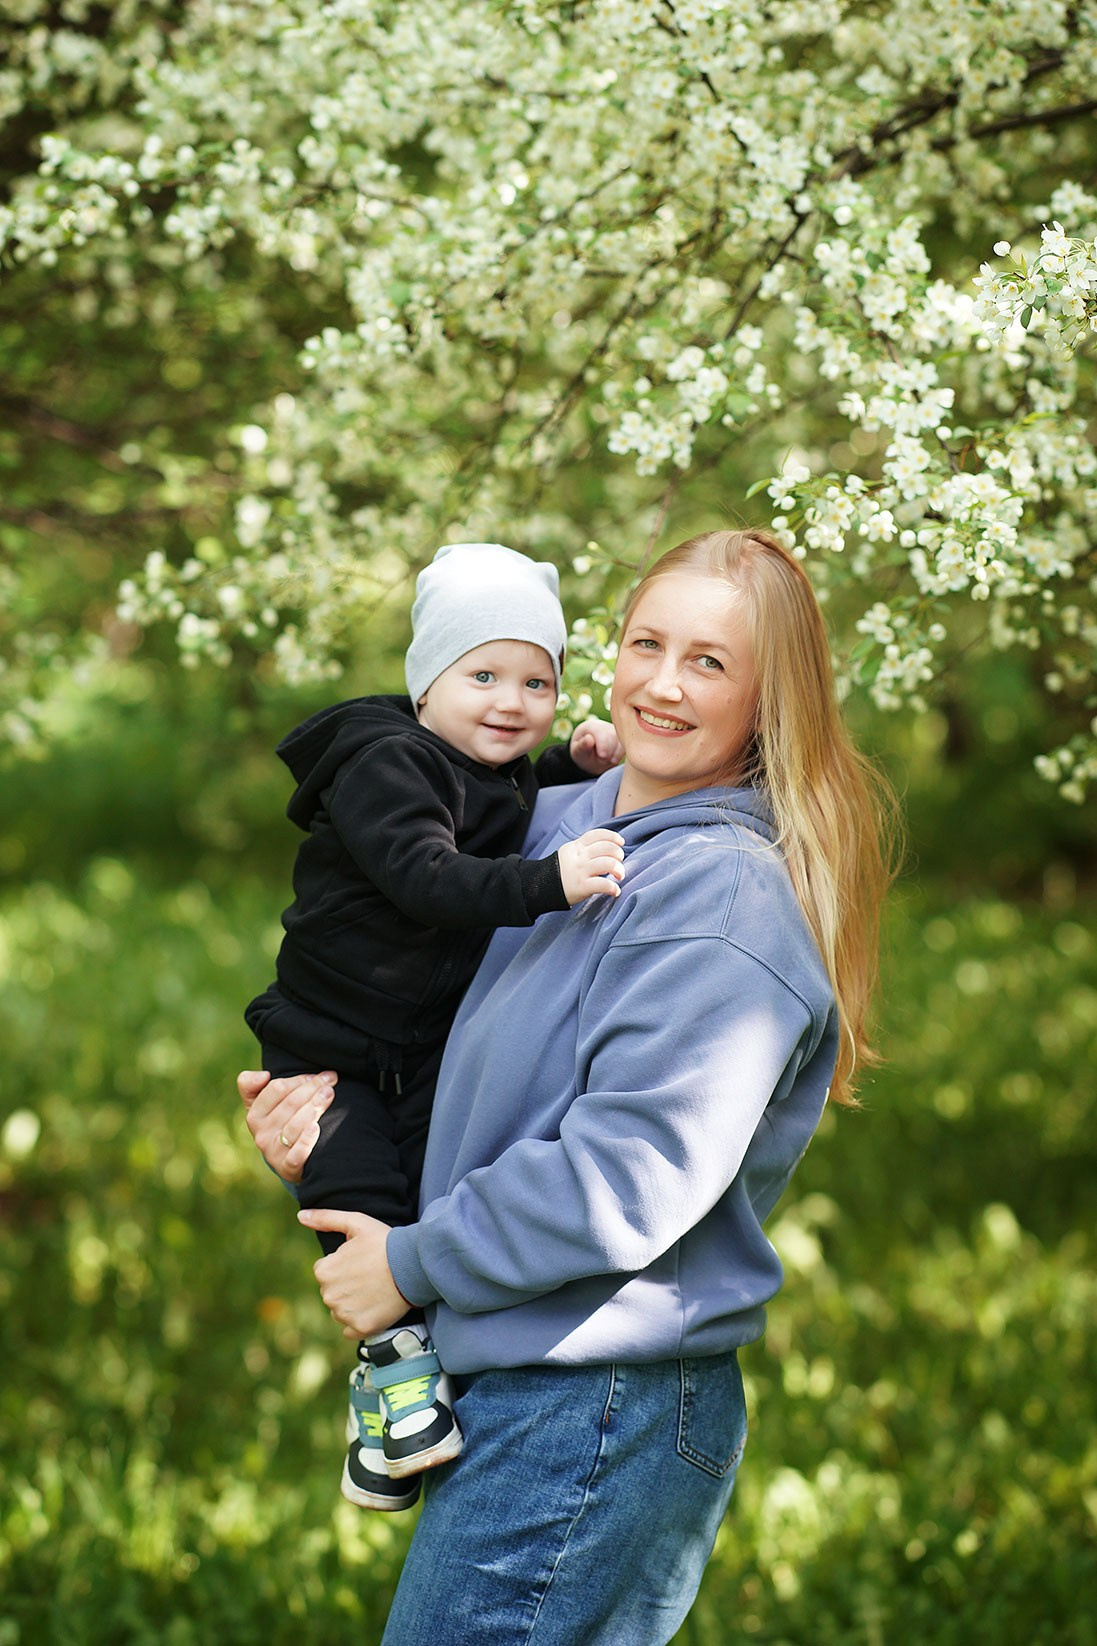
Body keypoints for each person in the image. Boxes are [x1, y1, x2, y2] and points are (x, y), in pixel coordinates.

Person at [241, 528, 896, 1646]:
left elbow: (628, 1173)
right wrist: (328, 1107)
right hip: (509, 1369)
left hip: (596, 1398)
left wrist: (408, 1260)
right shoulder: (553, 822)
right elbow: (421, 1004)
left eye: (707, 662)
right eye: (646, 642)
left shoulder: (718, 897)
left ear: (765, 701)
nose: (659, 681)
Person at [244, 541, 626, 1514]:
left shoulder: (474, 760)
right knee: (356, 1192)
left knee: (415, 1207)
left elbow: (490, 796)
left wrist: (563, 762)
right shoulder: (381, 766)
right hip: (328, 1044)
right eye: (482, 674)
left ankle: (383, 1430)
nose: (510, 699)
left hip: (413, 1047)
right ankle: (394, 1375)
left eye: (536, 679)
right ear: (426, 683)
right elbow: (426, 872)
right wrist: (549, 880)